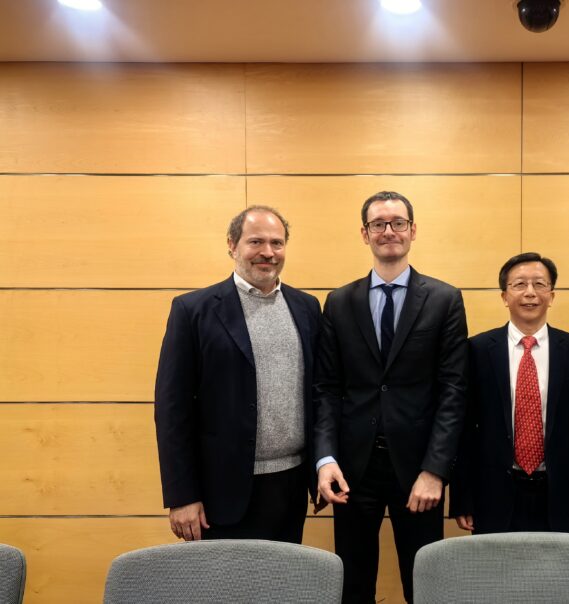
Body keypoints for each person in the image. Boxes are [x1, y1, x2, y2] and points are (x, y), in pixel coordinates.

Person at [314, 191, 468, 603]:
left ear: (412, 231)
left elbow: (453, 391)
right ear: (365, 234)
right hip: (352, 468)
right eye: (378, 224)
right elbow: (327, 388)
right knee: (352, 584)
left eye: (398, 222)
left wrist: (435, 470)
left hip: (418, 469)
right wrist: (325, 459)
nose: (389, 231)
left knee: (424, 585)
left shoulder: (444, 299)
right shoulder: (339, 302)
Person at [154, 205, 321, 543]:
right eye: (256, 241)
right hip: (221, 491)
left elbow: (319, 394)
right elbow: (172, 410)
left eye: (277, 243)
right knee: (228, 577)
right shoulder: (193, 311)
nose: (268, 252)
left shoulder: (307, 308)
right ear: (232, 245)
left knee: (284, 576)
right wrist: (182, 495)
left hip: (291, 485)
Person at [450, 252, 569, 535]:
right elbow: (464, 429)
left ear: (551, 296)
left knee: (555, 566)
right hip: (492, 494)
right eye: (519, 284)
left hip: (560, 494)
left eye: (539, 284)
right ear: (504, 296)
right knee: (498, 565)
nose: (530, 292)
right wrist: (462, 498)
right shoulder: (477, 350)